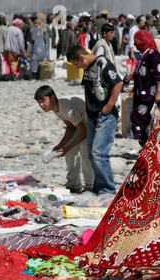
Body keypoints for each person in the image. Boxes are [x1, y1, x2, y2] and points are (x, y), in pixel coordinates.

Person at [66, 45, 123, 194]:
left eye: (76, 64)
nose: (77, 67)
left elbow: (118, 83)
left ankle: (108, 190)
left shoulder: (102, 63)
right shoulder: (87, 68)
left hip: (105, 115)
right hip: (92, 115)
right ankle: (98, 187)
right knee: (92, 153)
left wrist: (109, 105)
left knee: (99, 152)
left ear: (81, 58)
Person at [34, 85, 94, 193]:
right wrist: (61, 145)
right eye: (39, 103)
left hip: (91, 123)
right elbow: (70, 126)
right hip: (80, 124)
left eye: (43, 101)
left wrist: (66, 148)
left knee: (85, 148)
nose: (41, 105)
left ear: (52, 98)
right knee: (70, 151)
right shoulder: (56, 109)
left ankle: (90, 184)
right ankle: (73, 183)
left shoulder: (66, 108)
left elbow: (84, 132)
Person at [130, 30, 160, 146]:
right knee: (141, 119)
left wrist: (159, 93)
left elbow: (159, 73)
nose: (135, 44)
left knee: (145, 119)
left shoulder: (152, 54)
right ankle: (147, 147)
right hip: (143, 96)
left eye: (137, 41)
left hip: (151, 96)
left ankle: (150, 148)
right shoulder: (144, 55)